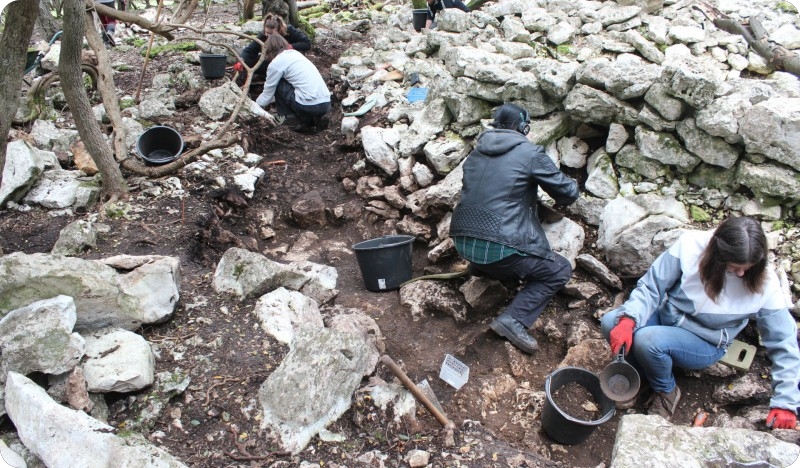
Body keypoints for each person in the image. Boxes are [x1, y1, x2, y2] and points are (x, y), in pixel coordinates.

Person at [601, 216, 800, 426]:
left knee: (648, 341)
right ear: (716, 255)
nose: (742, 273)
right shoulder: (690, 246)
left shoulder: (766, 286)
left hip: (704, 341)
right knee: (611, 322)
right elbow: (651, 288)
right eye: (734, 267)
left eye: (748, 268)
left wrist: (786, 402)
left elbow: (783, 343)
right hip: (667, 316)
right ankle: (636, 372)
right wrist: (628, 319)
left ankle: (666, 390)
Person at [449, 103, 580, 354]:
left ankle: (482, 267)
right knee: (559, 269)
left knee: (500, 246)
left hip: (463, 243)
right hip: (499, 247)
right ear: (524, 127)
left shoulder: (475, 154)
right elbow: (568, 192)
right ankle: (514, 320)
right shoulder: (530, 153)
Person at [255, 34, 331, 134]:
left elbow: (267, 95)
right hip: (325, 103)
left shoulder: (276, 64)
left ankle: (288, 120)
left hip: (308, 106)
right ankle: (311, 121)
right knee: (299, 88)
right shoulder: (296, 54)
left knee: (279, 83)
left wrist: (254, 106)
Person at [234, 14, 311, 93]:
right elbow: (251, 49)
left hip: (290, 62)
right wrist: (242, 61)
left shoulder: (290, 31)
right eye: (267, 33)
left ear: (279, 30)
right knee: (252, 61)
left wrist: (290, 46)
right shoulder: (264, 35)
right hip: (272, 61)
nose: (268, 36)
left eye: (271, 34)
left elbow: (307, 43)